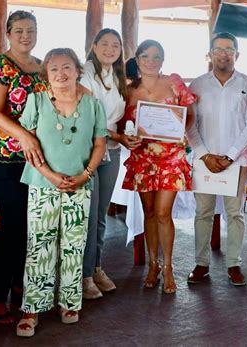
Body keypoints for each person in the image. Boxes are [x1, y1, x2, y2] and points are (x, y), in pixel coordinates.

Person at [15, 48, 107, 337]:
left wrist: (84, 175)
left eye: (67, 67)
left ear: (78, 70)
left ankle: (69, 302)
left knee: (73, 246)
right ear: (46, 75)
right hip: (43, 184)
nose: (61, 74)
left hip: (81, 185)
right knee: (40, 247)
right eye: (53, 69)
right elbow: (27, 144)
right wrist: (51, 176)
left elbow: (100, 144)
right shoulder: (36, 101)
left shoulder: (93, 105)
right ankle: (31, 308)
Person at [0, 10, 47, 324]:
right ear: (8, 32)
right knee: (12, 224)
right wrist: (24, 136)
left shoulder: (42, 65)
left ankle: (20, 283)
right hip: (2, 158)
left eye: (31, 30)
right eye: (19, 30)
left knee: (30, 224)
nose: (25, 36)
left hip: (35, 160)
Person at [119, 40, 196, 294]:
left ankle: (169, 267)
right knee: (149, 212)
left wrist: (178, 131)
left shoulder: (174, 82)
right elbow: (122, 126)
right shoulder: (129, 90)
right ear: (137, 60)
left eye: (156, 56)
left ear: (163, 60)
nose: (151, 61)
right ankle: (152, 264)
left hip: (171, 157)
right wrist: (128, 138)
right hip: (143, 157)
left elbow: (190, 113)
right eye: (145, 56)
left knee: (164, 213)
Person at [187, 32, 247, 286]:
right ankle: (201, 263)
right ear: (210, 54)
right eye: (218, 49)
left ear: (237, 54)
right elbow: (189, 124)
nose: (223, 54)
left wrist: (229, 156)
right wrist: (204, 154)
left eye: (229, 49)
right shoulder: (196, 85)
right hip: (203, 159)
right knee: (203, 213)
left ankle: (234, 264)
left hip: (236, 162)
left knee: (236, 214)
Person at [80, 28, 140, 299]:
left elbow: (120, 117)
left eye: (115, 45)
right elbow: (88, 119)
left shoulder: (118, 77)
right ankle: (83, 275)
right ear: (94, 46)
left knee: (101, 215)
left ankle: (97, 267)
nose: (110, 49)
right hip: (89, 150)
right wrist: (118, 135)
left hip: (112, 150)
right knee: (88, 217)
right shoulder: (85, 73)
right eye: (104, 43)